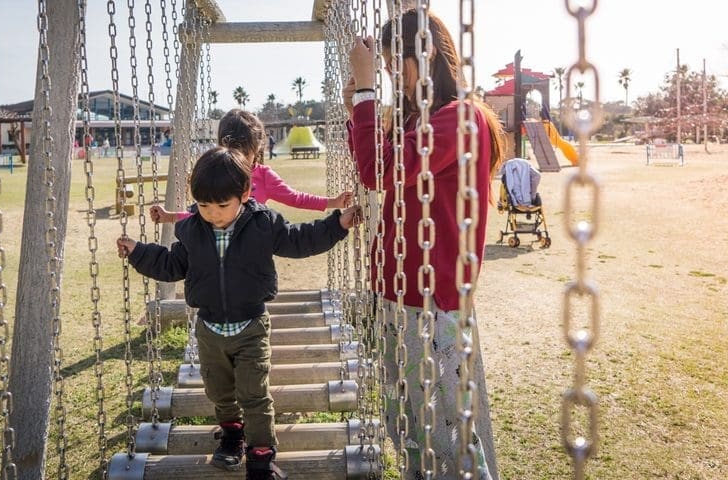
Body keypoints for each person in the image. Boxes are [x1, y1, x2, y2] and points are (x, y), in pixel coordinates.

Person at [117, 146, 359, 480]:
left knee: (254, 394)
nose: (212, 214)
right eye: (203, 206)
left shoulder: (263, 224)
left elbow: (300, 240)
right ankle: (232, 435)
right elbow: (171, 265)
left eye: (221, 206)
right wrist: (138, 252)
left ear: (245, 195)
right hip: (209, 330)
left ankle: (261, 457)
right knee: (219, 391)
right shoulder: (192, 230)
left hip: (250, 328)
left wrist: (338, 224)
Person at [342, 8, 505, 480]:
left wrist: (367, 93)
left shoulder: (461, 118)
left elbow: (376, 172)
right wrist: (358, 107)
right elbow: (375, 163)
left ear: (426, 53)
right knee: (409, 428)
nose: (391, 73)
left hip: (434, 304)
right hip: (398, 295)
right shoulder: (418, 120)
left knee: (450, 435)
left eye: (395, 62)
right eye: (384, 66)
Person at [151, 109, 352, 223]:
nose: (237, 160)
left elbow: (295, 198)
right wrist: (170, 216)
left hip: (252, 255)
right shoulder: (217, 171)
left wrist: (333, 202)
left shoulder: (263, 176)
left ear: (256, 148)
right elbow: (201, 215)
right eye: (231, 150)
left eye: (244, 153)